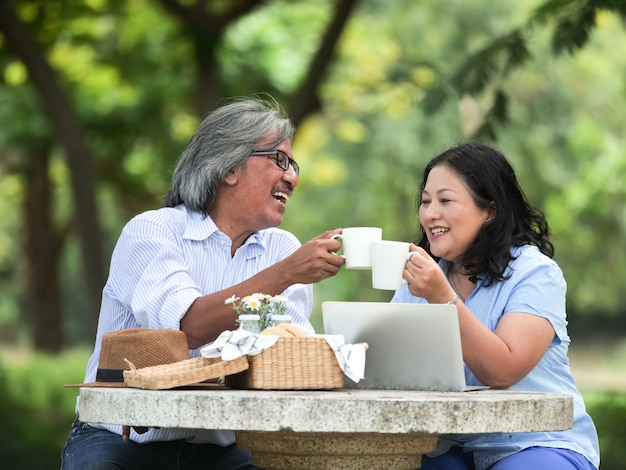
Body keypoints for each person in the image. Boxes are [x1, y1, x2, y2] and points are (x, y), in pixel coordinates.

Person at [61, 96, 345, 470]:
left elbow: (281, 358)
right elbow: (188, 327)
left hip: (222, 447)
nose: (291, 177)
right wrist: (286, 273)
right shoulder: (153, 232)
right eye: (279, 159)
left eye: (293, 164)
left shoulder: (283, 249)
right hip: (125, 442)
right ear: (229, 167)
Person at [393, 143, 600, 470]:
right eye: (425, 201)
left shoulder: (535, 273)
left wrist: (441, 297)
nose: (430, 213)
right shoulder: (420, 279)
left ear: (490, 211)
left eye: (445, 200)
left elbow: (502, 369)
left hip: (534, 442)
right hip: (447, 446)